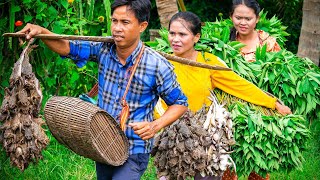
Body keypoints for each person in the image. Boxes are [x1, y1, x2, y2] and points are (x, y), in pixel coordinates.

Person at [18, 0, 188, 179]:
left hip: (135, 148)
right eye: (114, 21)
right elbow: (68, 47)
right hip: (104, 142)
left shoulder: (158, 65)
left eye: (125, 22)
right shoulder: (103, 50)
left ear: (142, 26)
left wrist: (154, 126)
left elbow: (180, 102)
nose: (117, 28)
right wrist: (42, 32)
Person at [155, 11, 291, 180]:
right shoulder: (160, 62)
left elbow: (239, 85)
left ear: (196, 37)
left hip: (203, 137)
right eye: (172, 33)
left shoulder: (208, 62)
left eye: (182, 34)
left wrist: (273, 103)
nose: (175, 39)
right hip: (171, 135)